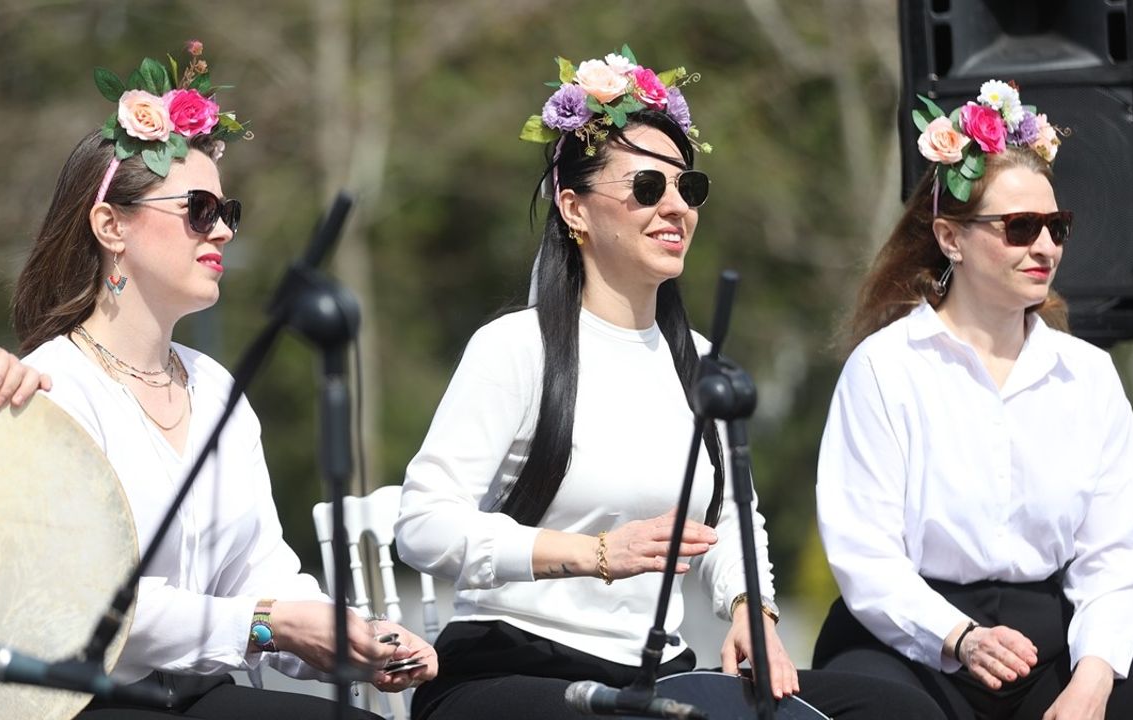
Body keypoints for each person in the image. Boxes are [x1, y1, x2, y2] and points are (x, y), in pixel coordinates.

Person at [393, 47, 946, 720]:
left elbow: (731, 518)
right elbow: (422, 526)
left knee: (893, 711)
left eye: (690, 188)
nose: (676, 207)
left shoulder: (700, 360)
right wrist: (594, 554)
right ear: (574, 208)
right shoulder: (515, 348)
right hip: (509, 667)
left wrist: (752, 608)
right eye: (647, 189)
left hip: (654, 676)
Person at [0, 41, 436, 719]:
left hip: (204, 697)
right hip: (91, 704)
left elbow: (263, 574)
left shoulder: (216, 391)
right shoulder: (52, 388)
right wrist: (268, 626)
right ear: (111, 225)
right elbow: (80, 601)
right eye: (199, 210)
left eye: (227, 212)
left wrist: (351, 631)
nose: (223, 231)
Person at [811, 80, 1133, 720]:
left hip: (1047, 649)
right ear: (950, 238)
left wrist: (1093, 681)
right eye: (1020, 228)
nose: (1045, 246)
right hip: (910, 646)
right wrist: (959, 637)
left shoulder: (1088, 374)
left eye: (1057, 227)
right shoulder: (884, 368)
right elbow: (866, 556)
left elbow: (1119, 553)